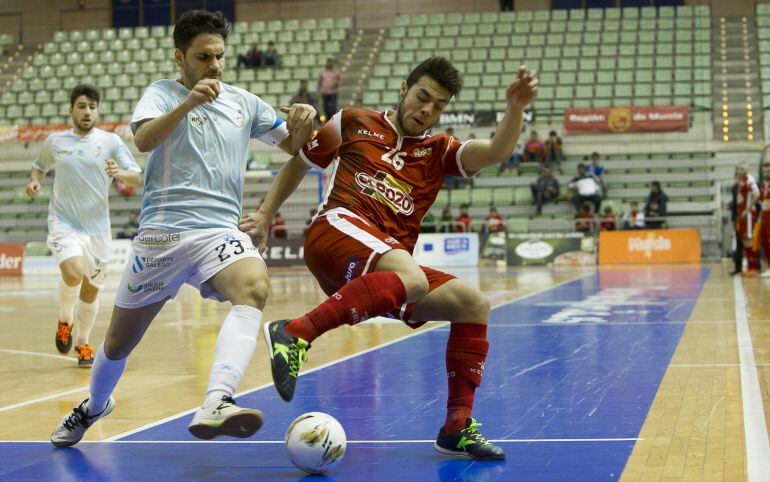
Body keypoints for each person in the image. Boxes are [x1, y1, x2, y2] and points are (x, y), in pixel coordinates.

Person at [240, 58, 538, 461]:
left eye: (439, 105)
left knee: (472, 304)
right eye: (422, 97)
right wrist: (263, 214)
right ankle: (295, 332)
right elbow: (300, 163)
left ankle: (456, 426)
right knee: (411, 278)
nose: (428, 110)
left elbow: (497, 150)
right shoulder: (354, 121)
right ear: (404, 89)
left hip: (381, 267)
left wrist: (515, 108)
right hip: (336, 230)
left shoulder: (439, 151)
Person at [50, 10, 316, 447]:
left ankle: (218, 399)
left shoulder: (244, 103)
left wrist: (306, 121)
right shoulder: (160, 94)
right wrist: (190, 101)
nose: (214, 65)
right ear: (180, 57)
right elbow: (145, 140)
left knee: (254, 287)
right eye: (204, 57)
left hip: (219, 231)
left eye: (220, 57)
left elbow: (293, 145)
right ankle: (95, 405)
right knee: (117, 343)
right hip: (161, 234)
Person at [26, 84, 142, 367]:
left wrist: (120, 173)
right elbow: (39, 166)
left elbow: (137, 177)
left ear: (97, 110)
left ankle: (83, 343)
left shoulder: (111, 142)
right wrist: (35, 181)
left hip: (98, 231)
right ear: (71, 110)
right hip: (63, 222)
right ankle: (65, 320)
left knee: (91, 289)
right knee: (74, 271)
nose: (87, 111)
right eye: (81, 106)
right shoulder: (55, 142)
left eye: (92, 106)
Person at [736, 161, 760, 275]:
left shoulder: (750, 180)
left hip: (749, 215)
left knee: (749, 239)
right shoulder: (742, 182)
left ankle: (754, 267)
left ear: (747, 169)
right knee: (745, 240)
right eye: (739, 169)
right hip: (742, 216)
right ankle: (749, 267)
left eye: (742, 169)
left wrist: (748, 209)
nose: (740, 171)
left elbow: (757, 194)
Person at [730, 168, 744, 275]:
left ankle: (754, 266)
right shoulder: (734, 188)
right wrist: (733, 220)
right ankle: (738, 267)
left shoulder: (750, 185)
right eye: (737, 176)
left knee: (749, 243)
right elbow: (734, 206)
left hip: (749, 218)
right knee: (738, 243)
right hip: (739, 220)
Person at [758, 163, 770, 277]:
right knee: (764, 242)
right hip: (765, 219)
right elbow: (762, 204)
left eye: (768, 172)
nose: (766, 174)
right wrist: (760, 218)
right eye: (764, 172)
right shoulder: (763, 187)